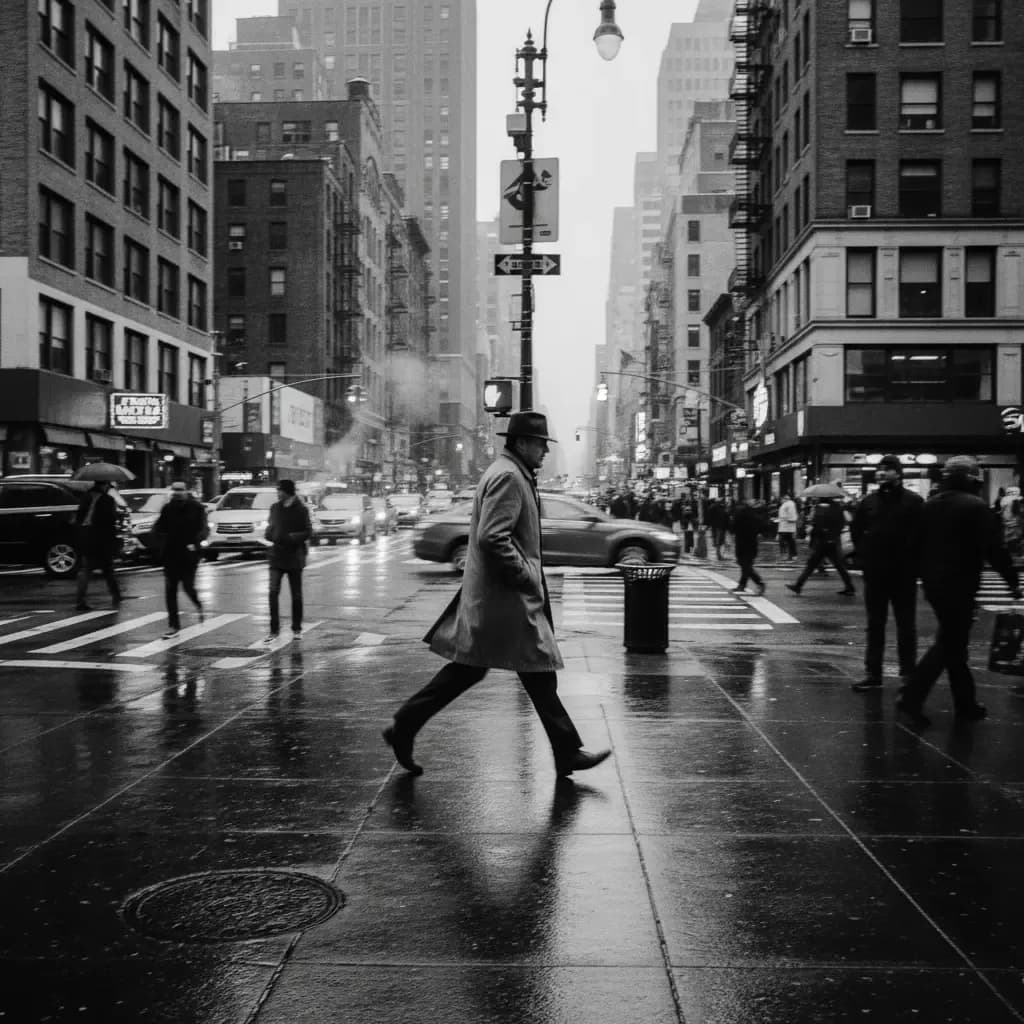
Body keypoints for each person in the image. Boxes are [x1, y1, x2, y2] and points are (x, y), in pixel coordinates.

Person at [382, 411, 610, 778]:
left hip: (503, 599)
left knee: (524, 672)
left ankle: (567, 750)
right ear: (521, 443)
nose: (544, 452)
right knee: (506, 669)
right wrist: (524, 576)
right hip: (505, 601)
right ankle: (405, 725)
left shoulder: (512, 472)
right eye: (540, 444)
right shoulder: (507, 476)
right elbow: (493, 537)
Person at [897, 456, 1022, 726]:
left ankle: (965, 704)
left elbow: (913, 546)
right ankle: (912, 696)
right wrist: (1011, 580)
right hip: (961, 583)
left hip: (934, 584)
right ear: (971, 480)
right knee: (949, 644)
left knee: (955, 644)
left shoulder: (930, 505)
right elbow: (994, 549)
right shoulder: (975, 507)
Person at [848, 455, 923, 692]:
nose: (881, 473)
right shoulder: (869, 501)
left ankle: (908, 674)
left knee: (906, 625)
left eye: (887, 469)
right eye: (880, 469)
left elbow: (923, 534)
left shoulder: (913, 501)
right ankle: (873, 673)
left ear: (898, 473)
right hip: (876, 571)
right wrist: (865, 557)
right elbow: (856, 530)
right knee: (875, 624)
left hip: (903, 571)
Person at [151, 482, 208, 639]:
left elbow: (204, 529)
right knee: (170, 591)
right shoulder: (167, 508)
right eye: (174, 490)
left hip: (189, 555)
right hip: (170, 554)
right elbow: (158, 528)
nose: (177, 493)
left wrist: (196, 544)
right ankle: (173, 625)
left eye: (180, 490)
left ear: (186, 491)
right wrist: (160, 543)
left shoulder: (197, 508)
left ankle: (198, 604)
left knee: (188, 586)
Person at [263, 479, 313, 642]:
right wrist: (270, 534)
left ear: (287, 491)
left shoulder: (301, 510)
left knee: (296, 595)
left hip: (294, 557)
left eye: (279, 490)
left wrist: (292, 538)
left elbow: (308, 531)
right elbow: (270, 528)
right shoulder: (275, 508)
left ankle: (296, 628)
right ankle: (274, 629)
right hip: (276, 556)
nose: (277, 493)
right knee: (272, 592)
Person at [785, 495, 856, 596]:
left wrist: (813, 529)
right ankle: (850, 587)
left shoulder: (821, 510)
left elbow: (817, 526)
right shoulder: (838, 509)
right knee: (837, 566)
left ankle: (798, 586)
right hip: (832, 541)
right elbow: (846, 521)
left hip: (823, 542)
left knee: (812, 565)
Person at [74, 481, 122, 611]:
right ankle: (116, 595)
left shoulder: (86, 497)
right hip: (101, 538)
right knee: (108, 569)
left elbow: (79, 516)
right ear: (105, 485)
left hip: (86, 536)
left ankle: (80, 600)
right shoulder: (107, 499)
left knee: (86, 570)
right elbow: (110, 521)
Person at [730, 499, 767, 595]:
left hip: (741, 543)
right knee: (746, 565)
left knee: (745, 565)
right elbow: (763, 528)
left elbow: (733, 527)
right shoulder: (755, 517)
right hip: (751, 544)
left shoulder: (740, 515)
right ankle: (742, 585)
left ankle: (758, 582)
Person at [776, 493, 798, 560]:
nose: (780, 501)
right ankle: (791, 555)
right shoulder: (787, 504)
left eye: (781, 499)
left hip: (787, 527)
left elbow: (792, 516)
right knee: (789, 542)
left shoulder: (789, 504)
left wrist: (785, 519)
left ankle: (790, 555)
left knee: (786, 542)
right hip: (785, 527)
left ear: (784, 499)